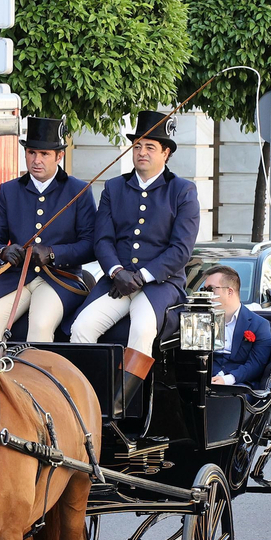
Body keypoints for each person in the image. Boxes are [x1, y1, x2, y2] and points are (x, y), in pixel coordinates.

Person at [69, 110, 201, 407]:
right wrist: (117, 272)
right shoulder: (115, 187)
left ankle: (122, 404)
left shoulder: (182, 191)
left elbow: (181, 250)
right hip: (118, 281)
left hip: (160, 285)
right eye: (137, 146)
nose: (142, 152)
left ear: (166, 153)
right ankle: (85, 402)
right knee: (82, 327)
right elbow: (102, 240)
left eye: (150, 147)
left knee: (142, 329)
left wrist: (142, 276)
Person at [0, 116, 96, 342]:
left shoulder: (79, 191)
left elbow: (90, 245)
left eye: (44, 154)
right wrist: (3, 252)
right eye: (31, 152)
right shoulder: (9, 191)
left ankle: (37, 367)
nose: (36, 160)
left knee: (40, 324)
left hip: (60, 279)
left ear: (59, 156)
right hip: (16, 278)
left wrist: (53, 253)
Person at [201, 265, 271, 391]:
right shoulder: (201, 321)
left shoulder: (260, 325)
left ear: (229, 292)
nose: (206, 294)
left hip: (239, 385)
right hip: (204, 382)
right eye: (204, 289)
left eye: (210, 289)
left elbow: (256, 364)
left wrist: (228, 379)